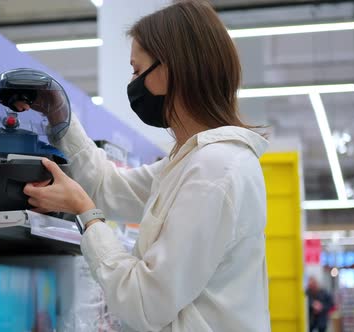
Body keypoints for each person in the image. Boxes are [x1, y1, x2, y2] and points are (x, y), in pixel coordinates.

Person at [23, 0, 271, 331]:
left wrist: (85, 212)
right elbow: (109, 189)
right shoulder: (192, 162)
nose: (134, 83)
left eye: (138, 71)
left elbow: (144, 302)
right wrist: (60, 117)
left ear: (170, 69)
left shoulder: (214, 170)